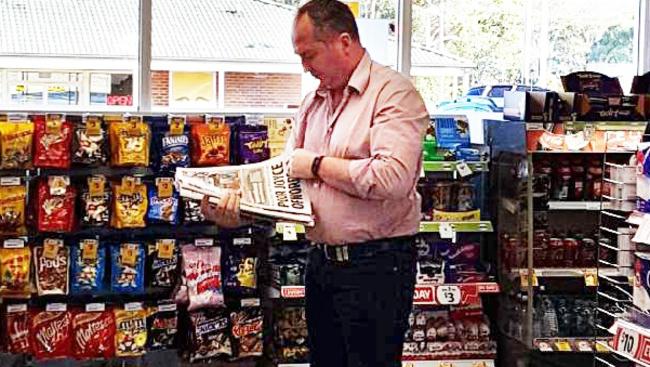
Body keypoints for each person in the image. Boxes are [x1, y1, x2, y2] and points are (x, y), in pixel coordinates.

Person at [202, 0, 429, 366]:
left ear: (344, 42)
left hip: (377, 266)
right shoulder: (313, 104)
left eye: (309, 55)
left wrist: (319, 165)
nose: (305, 67)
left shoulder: (393, 94)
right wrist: (239, 213)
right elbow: (290, 183)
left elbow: (393, 178)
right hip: (321, 263)